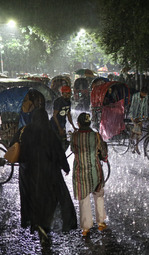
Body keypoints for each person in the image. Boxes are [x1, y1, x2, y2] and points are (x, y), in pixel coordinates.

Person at [10, 108, 77, 245]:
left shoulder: (24, 131)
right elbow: (59, 152)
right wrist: (66, 167)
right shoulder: (50, 133)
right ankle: (44, 224)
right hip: (49, 172)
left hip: (28, 173)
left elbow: (13, 146)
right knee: (48, 198)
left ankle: (35, 222)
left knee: (32, 198)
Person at [71, 113, 108, 237]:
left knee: (84, 199)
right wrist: (104, 157)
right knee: (98, 195)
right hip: (95, 171)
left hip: (80, 172)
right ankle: (101, 222)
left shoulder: (74, 136)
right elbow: (103, 151)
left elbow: (72, 149)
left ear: (79, 124)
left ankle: (86, 228)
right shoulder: (96, 135)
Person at [50, 85, 77, 150]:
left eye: (69, 93)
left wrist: (73, 126)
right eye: (66, 93)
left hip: (62, 124)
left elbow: (68, 115)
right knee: (56, 143)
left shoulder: (68, 102)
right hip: (54, 125)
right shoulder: (58, 102)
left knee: (64, 143)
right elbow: (54, 116)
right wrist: (59, 128)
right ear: (62, 94)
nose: (68, 95)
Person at [128, 86, 149, 154]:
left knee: (139, 132)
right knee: (137, 129)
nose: (144, 96)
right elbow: (133, 107)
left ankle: (135, 145)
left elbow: (145, 107)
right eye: (144, 94)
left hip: (140, 116)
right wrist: (134, 117)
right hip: (133, 115)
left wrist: (146, 116)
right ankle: (134, 144)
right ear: (141, 92)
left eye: (145, 94)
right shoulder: (135, 96)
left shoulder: (146, 97)